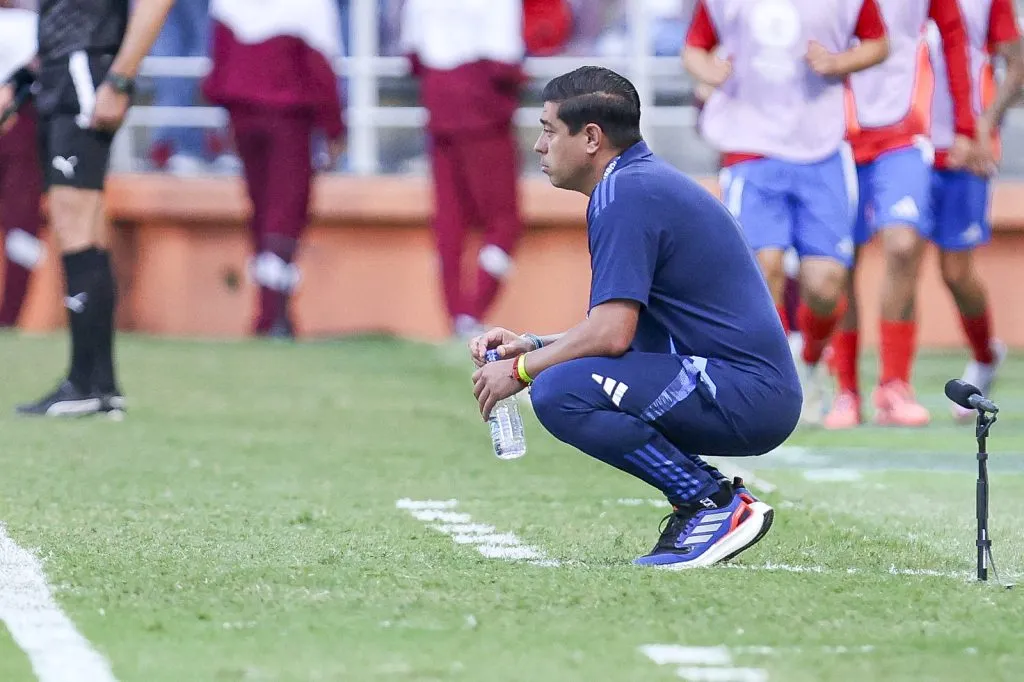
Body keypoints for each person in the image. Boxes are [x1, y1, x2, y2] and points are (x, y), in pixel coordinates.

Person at [470, 67, 802, 568]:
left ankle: (712, 505)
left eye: (547, 129)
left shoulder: (624, 194)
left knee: (562, 392)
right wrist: (534, 346)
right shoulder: (633, 184)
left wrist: (519, 371)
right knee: (565, 377)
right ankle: (708, 502)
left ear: (590, 138)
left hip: (747, 394)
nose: (538, 145)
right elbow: (624, 337)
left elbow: (610, 334)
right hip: (743, 387)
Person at [682, 0, 888, 426]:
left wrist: (839, 61)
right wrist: (708, 71)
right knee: (764, 266)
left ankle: (809, 363)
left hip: (822, 146)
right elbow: (695, 46)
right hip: (750, 145)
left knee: (826, 284)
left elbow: (878, 42)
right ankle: (770, 384)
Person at [0, 0, 177, 416]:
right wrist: (25, 76)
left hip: (86, 69)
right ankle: (99, 385)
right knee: (82, 225)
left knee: (76, 219)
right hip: (65, 68)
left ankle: (85, 383)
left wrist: (121, 79)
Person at [827, 0, 980, 429]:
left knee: (903, 244)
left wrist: (966, 128)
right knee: (838, 264)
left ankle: (894, 385)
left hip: (903, 132)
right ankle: (846, 390)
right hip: (829, 132)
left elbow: (955, 40)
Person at [202, 0, 346, 338]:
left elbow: (220, 57)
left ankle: (270, 313)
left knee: (263, 210)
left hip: (243, 114)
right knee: (285, 212)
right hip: (288, 118)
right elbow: (320, 66)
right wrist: (335, 127)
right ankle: (273, 313)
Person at [401, 0, 526, 340]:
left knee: (450, 222)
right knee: (503, 220)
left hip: (439, 105)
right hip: (484, 112)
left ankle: (456, 313)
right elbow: (503, 64)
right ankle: (472, 311)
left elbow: (412, 57)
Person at [927, 0, 1023, 422]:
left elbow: (1016, 62)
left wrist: (985, 126)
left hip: (964, 149)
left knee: (955, 271)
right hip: (898, 142)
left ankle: (985, 355)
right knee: (898, 248)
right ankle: (870, 388)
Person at [0, 0, 43, 329]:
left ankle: (11, 315)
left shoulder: (30, 25)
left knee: (21, 225)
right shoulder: (30, 26)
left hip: (23, 127)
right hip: (23, 125)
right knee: (22, 225)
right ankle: (11, 316)